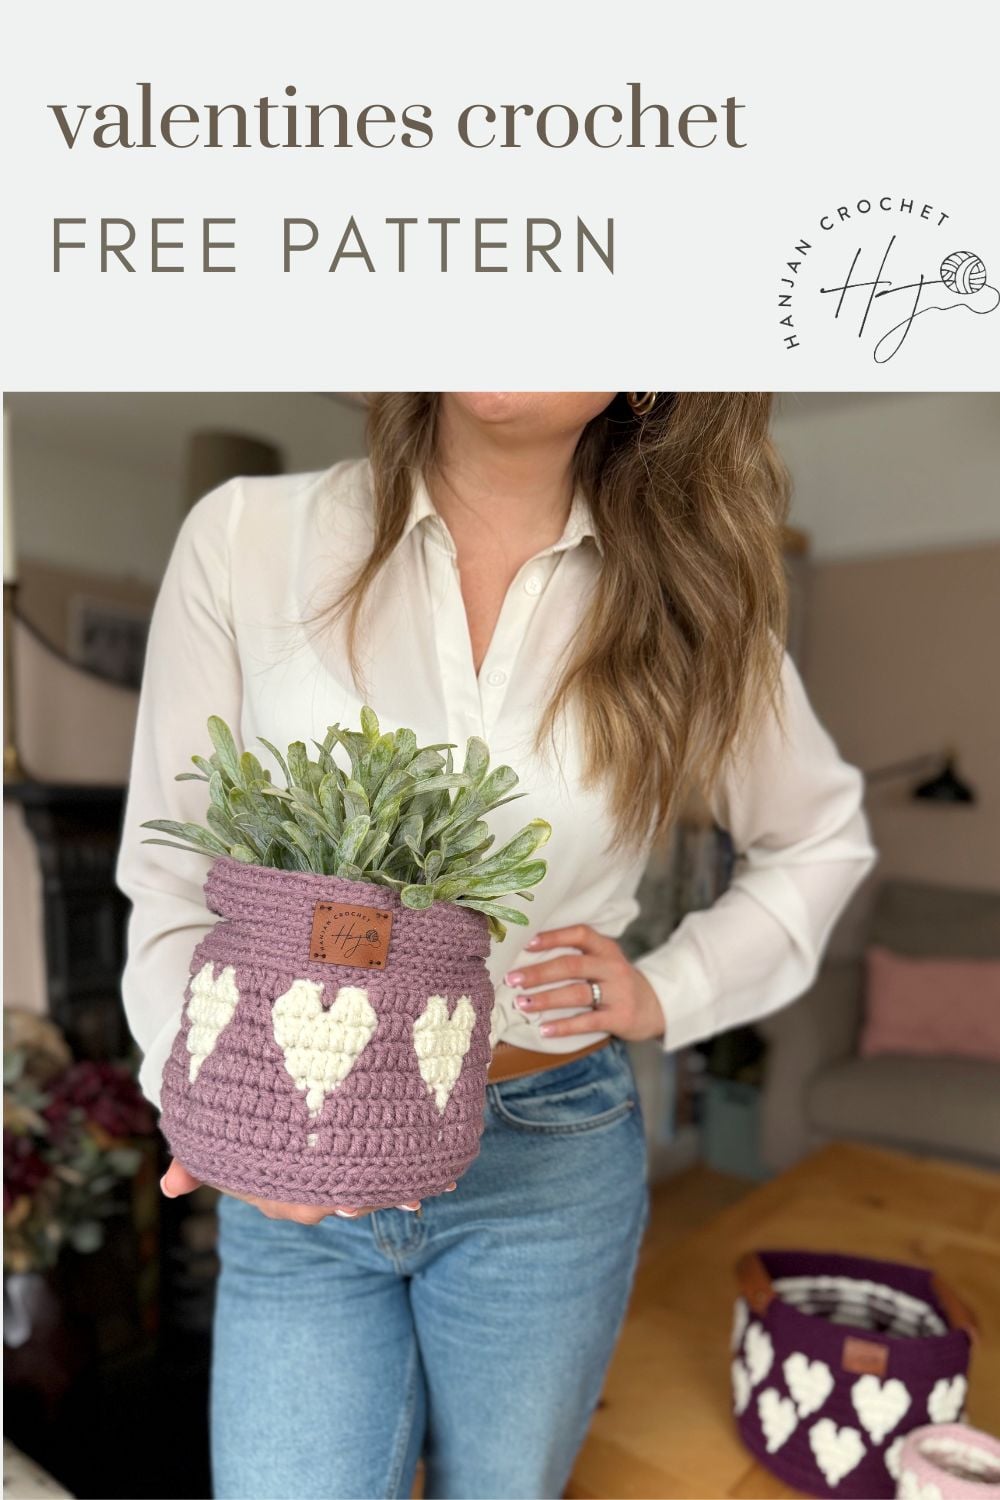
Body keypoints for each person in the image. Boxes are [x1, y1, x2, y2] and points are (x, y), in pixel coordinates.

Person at [115, 391, 878, 1500]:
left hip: (549, 1152)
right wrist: (200, 1102)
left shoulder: (687, 604)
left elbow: (819, 834)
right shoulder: (245, 539)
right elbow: (173, 873)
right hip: (299, 1160)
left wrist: (674, 986)